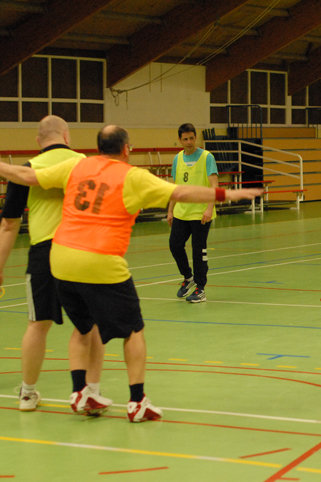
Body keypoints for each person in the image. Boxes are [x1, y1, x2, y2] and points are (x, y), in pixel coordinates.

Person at [0, 125, 262, 422]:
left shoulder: (78, 166)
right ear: (126, 149)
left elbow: (26, 176)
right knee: (134, 331)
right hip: (100, 260)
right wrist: (230, 193)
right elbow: (182, 191)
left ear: (99, 147)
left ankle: (80, 391)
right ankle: (137, 401)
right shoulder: (132, 177)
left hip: (59, 259)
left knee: (83, 328)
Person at [0, 115, 109, 414]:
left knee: (37, 325)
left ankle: (27, 394)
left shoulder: (26, 170)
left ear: (38, 141)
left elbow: (9, 225)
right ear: (67, 136)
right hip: (82, 250)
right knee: (91, 325)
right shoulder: (86, 164)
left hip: (44, 253)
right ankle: (92, 394)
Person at [167, 123, 218, 303]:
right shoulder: (177, 159)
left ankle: (200, 288)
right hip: (181, 212)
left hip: (200, 213)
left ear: (196, 137)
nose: (189, 142)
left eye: (191, 138)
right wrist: (170, 210)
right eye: (185, 139)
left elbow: (214, 186)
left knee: (198, 250)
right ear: (180, 140)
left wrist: (209, 208)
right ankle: (188, 278)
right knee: (174, 245)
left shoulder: (207, 157)